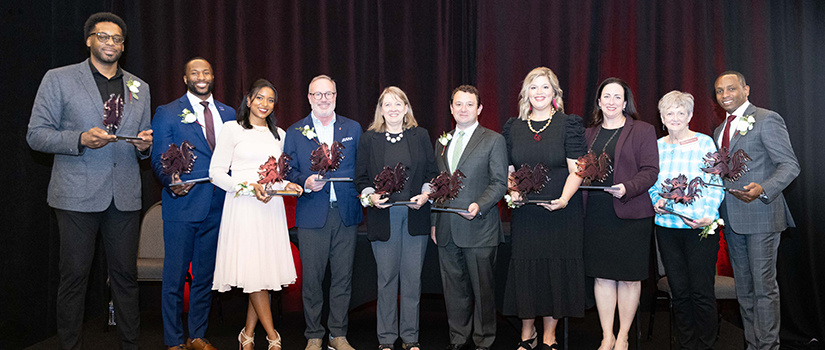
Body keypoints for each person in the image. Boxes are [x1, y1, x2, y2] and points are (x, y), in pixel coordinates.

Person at [26, 12, 152, 350]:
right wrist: (80, 138)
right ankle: (70, 345)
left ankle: (130, 344)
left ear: (123, 46)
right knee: (74, 278)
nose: (110, 43)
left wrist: (144, 147)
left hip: (124, 194)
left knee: (126, 278)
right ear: (89, 40)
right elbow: (36, 136)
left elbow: (142, 144)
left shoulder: (139, 87)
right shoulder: (59, 78)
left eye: (116, 39)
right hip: (75, 196)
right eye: (103, 36)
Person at [209, 79, 302, 350]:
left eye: (270, 99)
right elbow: (215, 173)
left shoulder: (280, 135)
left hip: (270, 210)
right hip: (243, 207)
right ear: (248, 100)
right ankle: (273, 336)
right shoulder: (232, 129)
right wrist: (247, 187)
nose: (264, 104)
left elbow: (277, 178)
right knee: (254, 272)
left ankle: (247, 335)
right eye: (259, 97)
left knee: (259, 275)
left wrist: (289, 186)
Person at [151, 57, 235, 350]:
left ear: (213, 76)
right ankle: (174, 340)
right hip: (182, 205)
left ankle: (197, 335)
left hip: (218, 206)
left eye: (206, 72)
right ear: (185, 79)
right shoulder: (168, 113)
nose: (201, 77)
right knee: (174, 279)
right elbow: (158, 157)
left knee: (204, 277)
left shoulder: (229, 113)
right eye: (194, 73)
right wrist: (170, 180)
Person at [712, 71, 799, 350]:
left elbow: (790, 166)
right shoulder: (718, 130)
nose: (725, 95)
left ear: (746, 90)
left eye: (731, 89)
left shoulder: (766, 118)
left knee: (764, 291)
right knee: (745, 292)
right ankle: (753, 344)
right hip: (733, 220)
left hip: (762, 216)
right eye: (719, 91)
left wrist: (763, 188)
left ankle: (768, 346)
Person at [501, 67, 587, 350]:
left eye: (545, 87)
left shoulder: (568, 124)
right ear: (526, 93)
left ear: (554, 94)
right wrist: (512, 192)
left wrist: (563, 199)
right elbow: (510, 170)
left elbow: (578, 170)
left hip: (561, 211)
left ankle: (549, 336)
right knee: (527, 271)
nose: (539, 92)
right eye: (534, 87)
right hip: (526, 213)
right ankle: (528, 335)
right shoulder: (513, 127)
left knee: (555, 273)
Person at [354, 86, 438, 350]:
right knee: (387, 279)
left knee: (413, 280)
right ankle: (387, 339)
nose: (392, 109)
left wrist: (426, 195)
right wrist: (370, 197)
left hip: (415, 216)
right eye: (387, 105)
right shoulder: (369, 139)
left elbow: (432, 174)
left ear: (406, 108)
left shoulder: (420, 135)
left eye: (397, 104)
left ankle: (411, 338)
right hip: (383, 217)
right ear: (381, 109)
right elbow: (361, 179)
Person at [283, 75, 363, 350]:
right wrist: (304, 182)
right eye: (318, 94)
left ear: (336, 96)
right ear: (309, 98)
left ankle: (338, 334)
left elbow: (361, 169)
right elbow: (288, 171)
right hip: (311, 215)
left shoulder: (352, 128)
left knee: (342, 278)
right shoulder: (295, 132)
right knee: (313, 280)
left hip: (346, 213)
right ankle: (314, 335)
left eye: (328, 94)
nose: (324, 99)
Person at [582, 78, 658, 350]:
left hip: (631, 212)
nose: (612, 102)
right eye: (607, 96)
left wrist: (627, 187)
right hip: (596, 214)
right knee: (602, 277)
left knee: (628, 277)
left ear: (625, 103)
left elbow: (650, 171)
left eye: (618, 97)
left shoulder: (642, 130)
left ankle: (623, 336)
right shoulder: (587, 134)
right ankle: (607, 336)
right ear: (599, 101)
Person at [431, 85, 508, 350]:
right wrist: (433, 221)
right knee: (454, 290)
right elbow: (437, 184)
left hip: (479, 227)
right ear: (451, 109)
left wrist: (479, 204)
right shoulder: (442, 141)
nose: (463, 109)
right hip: (446, 227)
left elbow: (500, 183)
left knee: (482, 290)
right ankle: (458, 338)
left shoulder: (493, 140)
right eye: (458, 104)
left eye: (469, 104)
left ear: (479, 109)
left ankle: (483, 340)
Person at [647, 91, 724, 350]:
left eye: (681, 112)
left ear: (690, 115)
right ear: (662, 117)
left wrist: (709, 215)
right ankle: (687, 344)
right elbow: (651, 183)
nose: (676, 118)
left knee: (701, 291)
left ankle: (706, 345)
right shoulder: (656, 146)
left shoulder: (704, 143)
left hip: (700, 228)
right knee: (679, 292)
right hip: (668, 228)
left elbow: (716, 184)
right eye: (670, 113)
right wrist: (655, 199)